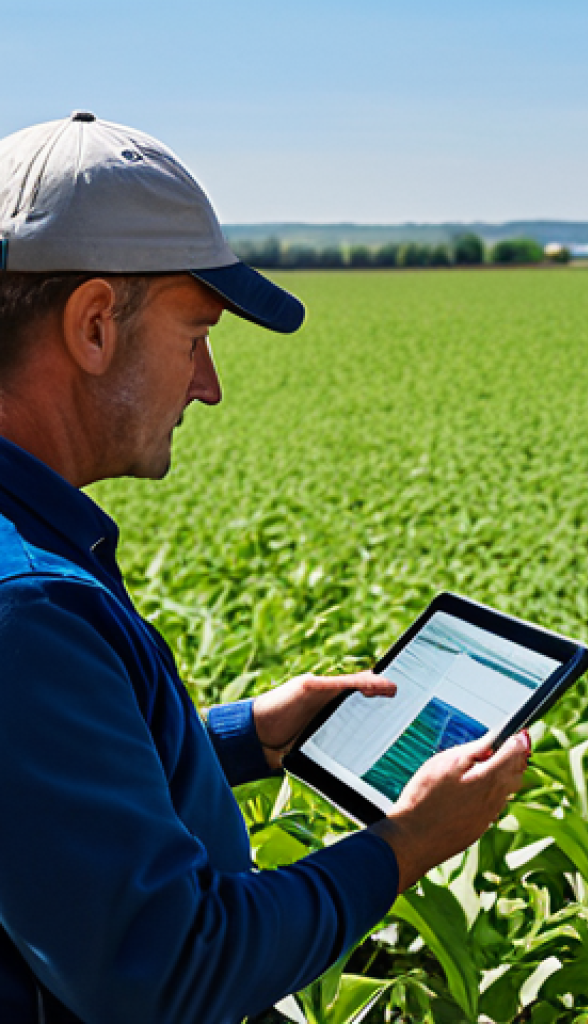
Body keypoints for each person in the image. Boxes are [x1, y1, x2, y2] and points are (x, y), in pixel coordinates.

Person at [0, 112, 530, 1024]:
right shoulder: (30, 607)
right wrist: (406, 844)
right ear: (94, 326)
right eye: (194, 334)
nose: (207, 384)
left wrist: (250, 738)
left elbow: (41, 806)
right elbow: (170, 968)